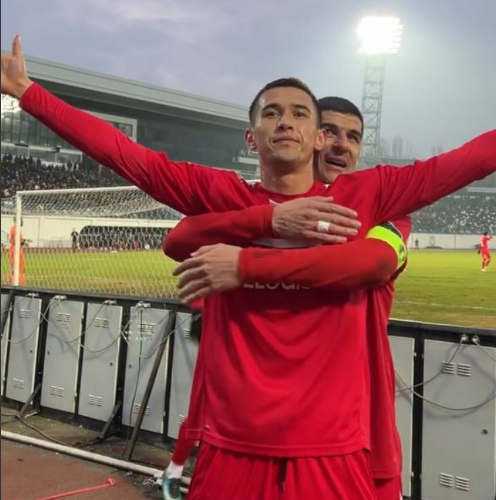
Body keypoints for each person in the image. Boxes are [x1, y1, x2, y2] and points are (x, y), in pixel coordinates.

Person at [2, 35, 495, 499]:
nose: (285, 121)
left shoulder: (367, 196)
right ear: (251, 138)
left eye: (300, 113)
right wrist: (28, 92)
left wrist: (245, 264)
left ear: (317, 137)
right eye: (271, 113)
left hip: (331, 448)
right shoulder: (223, 196)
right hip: (232, 444)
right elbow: (128, 156)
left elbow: (465, 162)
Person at [163, 97, 410, 500]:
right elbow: (178, 239)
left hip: (362, 431)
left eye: (353, 137)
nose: (340, 145)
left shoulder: (383, 216)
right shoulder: (250, 209)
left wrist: (246, 264)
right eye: (329, 131)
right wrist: (267, 221)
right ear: (312, 140)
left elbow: (374, 263)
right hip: (250, 434)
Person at [8, 220, 27, 286]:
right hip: (15, 250)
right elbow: (16, 241)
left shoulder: (16, 228)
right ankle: (13, 282)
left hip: (17, 249)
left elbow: (18, 240)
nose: (22, 222)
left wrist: (24, 241)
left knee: (17, 267)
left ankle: (15, 281)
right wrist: (24, 242)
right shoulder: (15, 228)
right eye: (21, 220)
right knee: (15, 267)